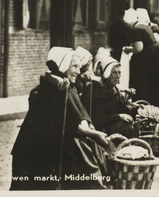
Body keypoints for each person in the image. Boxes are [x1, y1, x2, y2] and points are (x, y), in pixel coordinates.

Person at [10, 47, 110, 190]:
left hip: (43, 151)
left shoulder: (61, 86)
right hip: (32, 155)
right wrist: (93, 134)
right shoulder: (52, 90)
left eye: (78, 67)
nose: (78, 71)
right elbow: (63, 124)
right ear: (63, 65)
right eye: (74, 66)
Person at [122, 8, 159, 114]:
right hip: (158, 54)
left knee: (146, 86)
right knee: (157, 85)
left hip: (151, 57)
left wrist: (128, 49)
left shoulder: (135, 29)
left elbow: (139, 48)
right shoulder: (145, 26)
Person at [81, 56, 140, 139]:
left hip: (111, 125)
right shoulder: (99, 92)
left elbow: (125, 108)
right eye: (114, 73)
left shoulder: (114, 89)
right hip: (101, 130)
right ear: (107, 73)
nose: (118, 76)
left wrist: (138, 109)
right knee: (128, 127)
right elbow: (98, 121)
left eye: (119, 72)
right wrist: (119, 117)